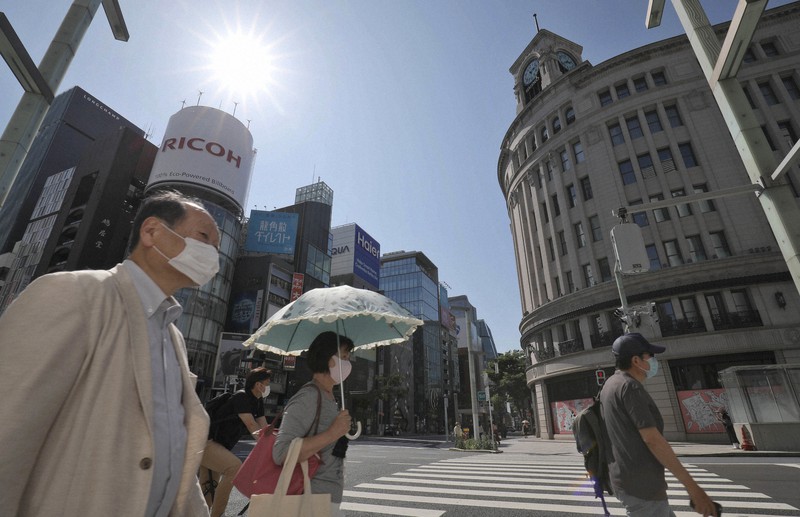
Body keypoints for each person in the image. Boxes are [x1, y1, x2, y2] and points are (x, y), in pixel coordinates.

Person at [0, 191, 221, 516]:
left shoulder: (172, 334)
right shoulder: (74, 294)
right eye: (204, 237)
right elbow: (9, 426)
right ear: (151, 232)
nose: (213, 254)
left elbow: (174, 448)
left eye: (217, 247)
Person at [600, 333, 718, 517]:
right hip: (643, 487)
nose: (654, 361)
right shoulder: (630, 387)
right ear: (636, 360)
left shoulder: (610, 384)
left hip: (626, 480)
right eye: (650, 356)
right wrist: (693, 488)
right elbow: (653, 440)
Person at [273, 332, 354, 517]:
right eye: (344, 357)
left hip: (326, 498)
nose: (348, 363)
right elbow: (281, 453)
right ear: (328, 359)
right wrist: (333, 433)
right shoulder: (308, 397)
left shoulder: (329, 397)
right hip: (309, 499)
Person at [200, 367, 272, 517]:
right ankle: (218, 514)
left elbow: (264, 429)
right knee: (234, 468)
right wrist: (269, 449)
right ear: (258, 384)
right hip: (206, 442)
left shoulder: (257, 401)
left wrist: (274, 444)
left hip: (219, 445)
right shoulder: (242, 397)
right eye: (267, 383)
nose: (268, 387)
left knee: (208, 489)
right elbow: (252, 426)